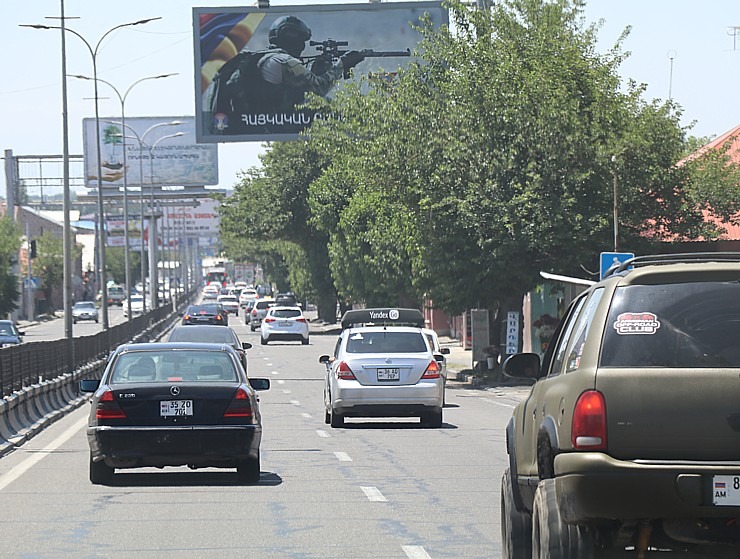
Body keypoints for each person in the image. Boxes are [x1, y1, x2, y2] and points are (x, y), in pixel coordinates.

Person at [206, 15, 365, 134]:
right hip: (270, 125)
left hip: (249, 123)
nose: (303, 46)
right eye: (302, 40)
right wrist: (342, 65)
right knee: (327, 105)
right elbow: (318, 89)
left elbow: (297, 89)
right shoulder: (283, 61)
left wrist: (318, 69)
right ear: (293, 39)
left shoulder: (257, 58)